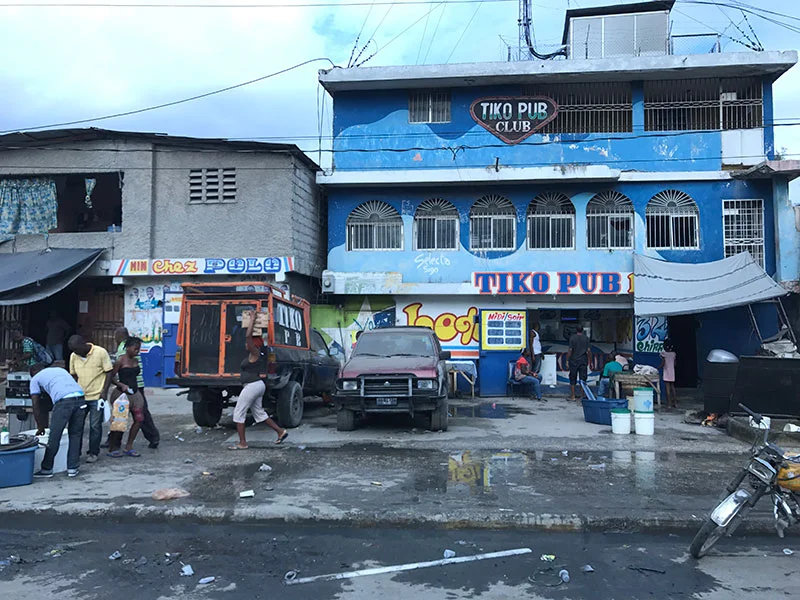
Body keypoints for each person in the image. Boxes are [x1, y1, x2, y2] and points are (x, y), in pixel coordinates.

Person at [229, 310, 288, 450]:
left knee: (238, 413)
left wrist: (252, 320)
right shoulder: (255, 354)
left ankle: (242, 443)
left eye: (248, 343)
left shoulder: (254, 353)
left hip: (252, 386)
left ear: (253, 345)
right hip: (256, 386)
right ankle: (281, 432)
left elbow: (248, 335)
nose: (245, 344)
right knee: (259, 413)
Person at [29, 363, 87, 478]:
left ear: (33, 372)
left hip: (64, 402)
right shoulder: (60, 370)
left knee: (55, 436)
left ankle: (46, 469)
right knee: (75, 435)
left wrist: (40, 426)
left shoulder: (35, 379)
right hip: (81, 398)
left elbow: (35, 404)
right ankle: (72, 468)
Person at [68, 335, 113, 463]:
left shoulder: (100, 352)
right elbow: (73, 375)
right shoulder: (73, 356)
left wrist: (104, 392)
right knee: (77, 426)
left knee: (95, 426)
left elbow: (109, 372)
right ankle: (75, 453)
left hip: (96, 396)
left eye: (77, 350)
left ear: (84, 344)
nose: (76, 353)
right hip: (80, 397)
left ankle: (93, 452)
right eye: (74, 351)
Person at [112, 326, 159, 449]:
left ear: (119, 336)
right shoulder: (130, 347)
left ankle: (117, 442)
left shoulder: (124, 348)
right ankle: (115, 441)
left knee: (132, 416)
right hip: (134, 386)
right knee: (131, 415)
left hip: (133, 388)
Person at [102, 337, 146, 457]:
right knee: (119, 422)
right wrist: (121, 385)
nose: (137, 351)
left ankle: (129, 446)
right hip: (121, 394)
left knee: (139, 419)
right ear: (127, 348)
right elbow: (111, 377)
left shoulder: (136, 361)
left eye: (138, 349)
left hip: (135, 394)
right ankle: (113, 447)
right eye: (135, 349)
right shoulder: (120, 361)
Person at [567, 325, 592, 402]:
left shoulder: (572, 338)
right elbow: (588, 351)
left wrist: (567, 360)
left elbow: (570, 350)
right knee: (583, 378)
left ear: (576, 330)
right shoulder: (586, 338)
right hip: (583, 361)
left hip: (574, 360)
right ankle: (582, 396)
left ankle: (573, 396)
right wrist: (590, 361)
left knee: (572, 378)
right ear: (582, 330)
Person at [660, 339, 678, 409]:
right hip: (672, 372)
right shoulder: (673, 354)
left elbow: (663, 363)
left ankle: (669, 404)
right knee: (672, 387)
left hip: (666, 372)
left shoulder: (664, 354)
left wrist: (659, 367)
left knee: (667, 388)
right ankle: (675, 403)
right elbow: (675, 363)